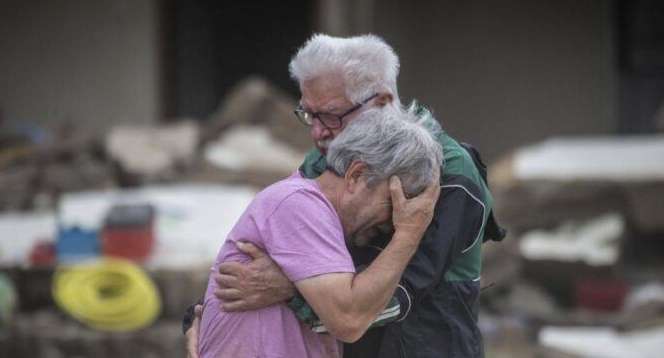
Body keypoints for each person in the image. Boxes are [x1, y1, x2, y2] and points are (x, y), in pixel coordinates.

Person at [185, 34, 500, 357]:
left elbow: (397, 297)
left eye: (332, 116)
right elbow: (276, 253)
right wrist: (208, 315)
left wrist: (292, 286)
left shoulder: (449, 174)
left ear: (382, 102)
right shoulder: (323, 162)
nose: (317, 132)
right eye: (309, 114)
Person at [198, 108, 443, 357]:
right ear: (356, 175)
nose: (396, 219)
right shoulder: (298, 205)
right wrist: (410, 232)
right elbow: (349, 319)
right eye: (393, 201)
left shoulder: (314, 213)